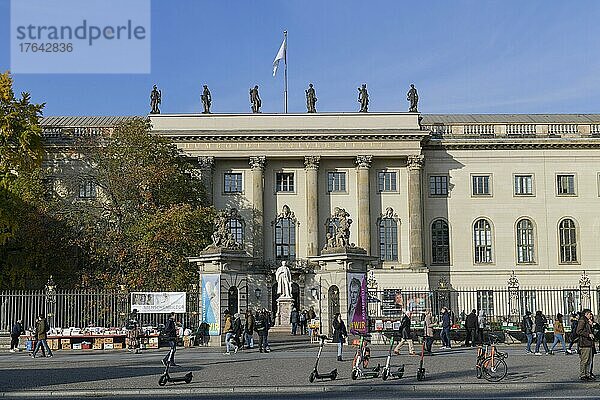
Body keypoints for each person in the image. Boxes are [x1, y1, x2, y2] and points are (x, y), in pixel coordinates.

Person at [576, 309, 595, 381]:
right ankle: (583, 374)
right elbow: (578, 331)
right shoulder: (582, 321)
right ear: (586, 314)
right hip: (584, 343)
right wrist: (588, 334)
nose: (591, 315)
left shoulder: (587, 321)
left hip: (589, 343)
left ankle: (587, 374)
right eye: (590, 314)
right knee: (584, 360)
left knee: (589, 360)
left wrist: (591, 325)